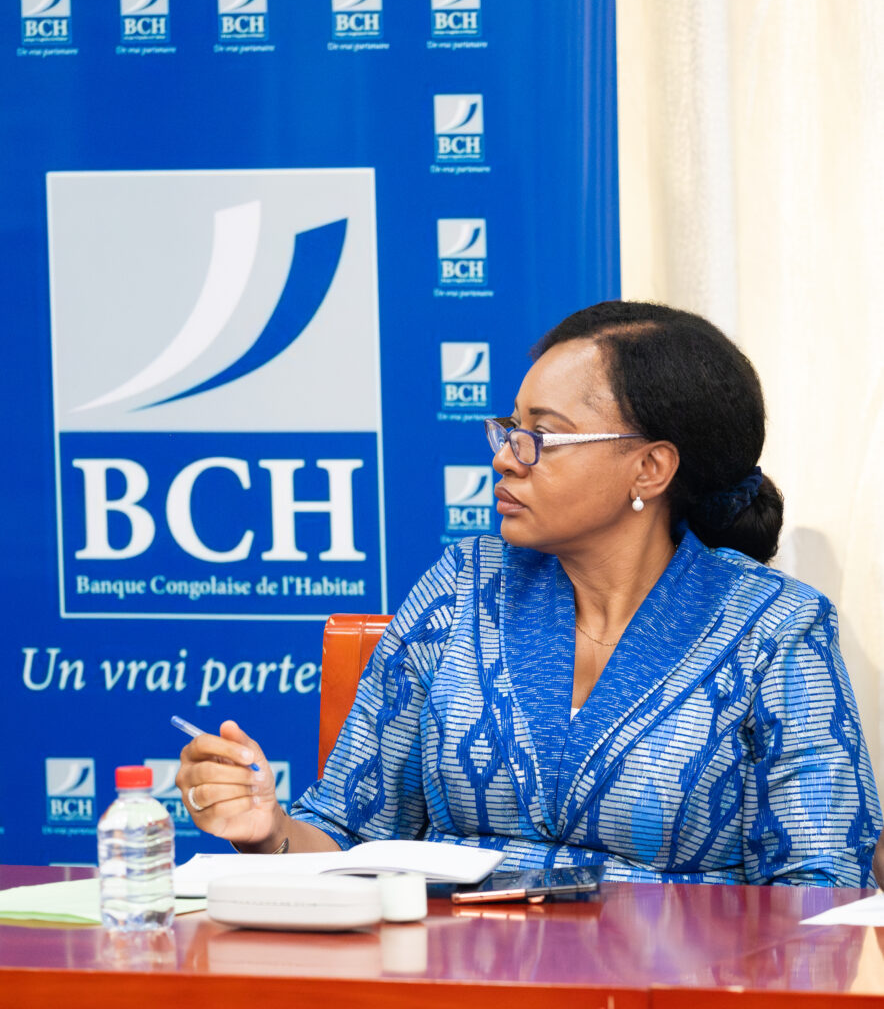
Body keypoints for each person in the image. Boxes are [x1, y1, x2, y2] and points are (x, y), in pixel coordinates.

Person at [176, 300, 881, 885]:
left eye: (542, 435)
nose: (505, 457)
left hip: (671, 986)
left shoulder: (774, 626)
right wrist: (267, 831)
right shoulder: (460, 587)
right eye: (511, 427)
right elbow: (347, 836)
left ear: (649, 468)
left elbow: (821, 887)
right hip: (452, 979)